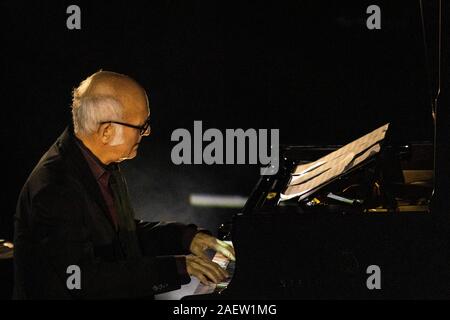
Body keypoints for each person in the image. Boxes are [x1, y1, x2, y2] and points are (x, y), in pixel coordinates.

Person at [13, 70, 235, 299]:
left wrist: (186, 238)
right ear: (107, 131)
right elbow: (81, 279)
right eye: (141, 126)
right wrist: (179, 267)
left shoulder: (100, 163)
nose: (147, 133)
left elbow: (122, 239)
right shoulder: (54, 186)